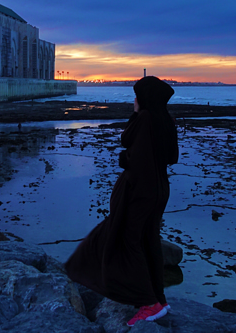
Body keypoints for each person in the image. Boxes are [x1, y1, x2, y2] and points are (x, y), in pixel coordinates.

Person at [65, 76, 179, 326]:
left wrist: (124, 158)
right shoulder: (165, 119)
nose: (134, 100)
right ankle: (159, 298)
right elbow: (171, 157)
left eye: (137, 95)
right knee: (148, 241)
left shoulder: (146, 119)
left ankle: (149, 303)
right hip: (160, 189)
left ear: (145, 98)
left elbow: (134, 158)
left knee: (129, 241)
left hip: (140, 190)